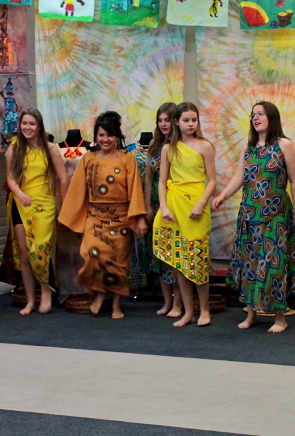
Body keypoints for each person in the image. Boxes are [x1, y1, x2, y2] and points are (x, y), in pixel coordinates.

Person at [213, 101, 295, 333]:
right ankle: (251, 314)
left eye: (260, 114)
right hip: (250, 214)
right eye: (253, 115)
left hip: (276, 215)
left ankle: (280, 317)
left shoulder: (284, 145)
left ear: (272, 117)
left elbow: (294, 181)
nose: (256, 118)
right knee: (249, 263)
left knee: (275, 265)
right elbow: (239, 176)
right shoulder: (249, 145)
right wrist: (223, 195)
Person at [59, 111, 147, 318]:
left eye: (109, 135)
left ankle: (116, 305)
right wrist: (69, 217)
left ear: (117, 137)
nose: (105, 139)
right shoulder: (88, 159)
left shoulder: (127, 159)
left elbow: (135, 189)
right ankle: (99, 293)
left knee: (118, 264)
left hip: (120, 218)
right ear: (96, 137)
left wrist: (139, 217)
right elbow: (77, 189)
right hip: (95, 216)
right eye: (101, 135)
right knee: (91, 254)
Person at [153, 102, 217, 327]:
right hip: (174, 204)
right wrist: (164, 207)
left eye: (194, 120)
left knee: (198, 259)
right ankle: (188, 312)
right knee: (180, 261)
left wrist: (200, 204)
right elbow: (162, 181)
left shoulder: (205, 146)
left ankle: (205, 310)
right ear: (177, 122)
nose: (191, 124)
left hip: (196, 205)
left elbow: (212, 181)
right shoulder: (168, 148)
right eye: (186, 120)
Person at [5, 109, 68, 315]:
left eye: (32, 124)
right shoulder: (14, 149)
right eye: (24, 123)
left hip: (44, 205)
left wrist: (64, 208)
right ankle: (30, 300)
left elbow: (62, 179)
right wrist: (19, 193)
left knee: (40, 250)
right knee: (25, 254)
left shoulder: (51, 148)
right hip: (21, 204)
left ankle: (46, 289)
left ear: (39, 126)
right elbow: (10, 178)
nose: (28, 127)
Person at [145, 102, 183, 317]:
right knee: (159, 255)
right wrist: (147, 206)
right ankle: (167, 302)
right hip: (156, 204)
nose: (163, 124)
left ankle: (178, 303)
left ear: (175, 121)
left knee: (175, 254)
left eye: (167, 120)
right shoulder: (154, 145)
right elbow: (149, 178)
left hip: (176, 204)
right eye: (160, 120)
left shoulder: (181, 145)